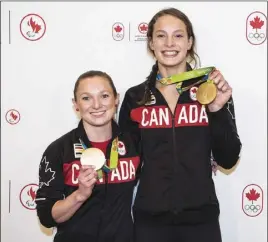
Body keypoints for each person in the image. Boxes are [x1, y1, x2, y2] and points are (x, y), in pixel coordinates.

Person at [119, 7, 242, 242]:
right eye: (161, 35)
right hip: (150, 222)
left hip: (200, 220)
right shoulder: (136, 98)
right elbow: (128, 166)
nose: (169, 43)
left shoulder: (212, 91)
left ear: (189, 43)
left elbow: (228, 159)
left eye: (178, 35)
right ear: (151, 43)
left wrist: (216, 111)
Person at [35, 70, 140, 242]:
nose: (97, 105)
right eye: (86, 98)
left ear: (116, 99)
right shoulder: (59, 150)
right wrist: (79, 195)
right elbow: (46, 217)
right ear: (75, 105)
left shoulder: (134, 145)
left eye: (104, 96)